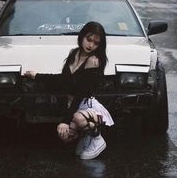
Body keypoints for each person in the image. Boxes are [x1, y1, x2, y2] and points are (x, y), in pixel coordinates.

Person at [24, 21, 114, 159]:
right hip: (72, 104)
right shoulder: (74, 53)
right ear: (82, 36)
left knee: (78, 119)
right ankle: (86, 136)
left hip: (86, 104)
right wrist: (37, 76)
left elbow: (80, 94)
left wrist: (65, 120)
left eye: (96, 43)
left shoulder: (94, 61)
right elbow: (62, 80)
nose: (90, 45)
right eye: (89, 39)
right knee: (65, 136)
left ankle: (97, 139)